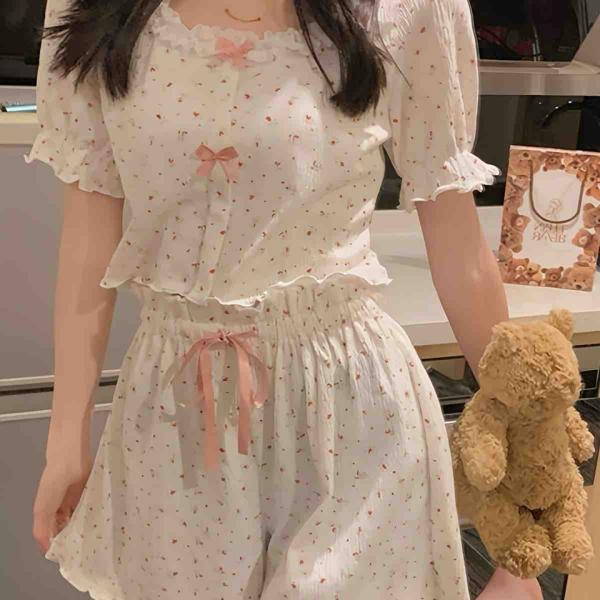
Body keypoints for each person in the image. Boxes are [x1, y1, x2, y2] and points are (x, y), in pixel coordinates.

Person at [25, 0, 542, 598]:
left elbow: (459, 248)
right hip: (174, 413)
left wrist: (526, 493)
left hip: (351, 415)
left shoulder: (402, 9)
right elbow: (89, 236)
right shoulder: (90, 6)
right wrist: (65, 437)